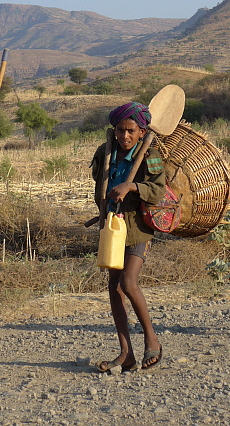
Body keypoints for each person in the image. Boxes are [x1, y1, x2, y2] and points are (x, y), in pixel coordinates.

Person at [91, 102, 167, 372]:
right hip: (112, 227)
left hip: (138, 227)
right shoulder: (105, 151)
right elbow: (98, 180)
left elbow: (158, 191)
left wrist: (132, 186)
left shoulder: (151, 155)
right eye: (121, 130)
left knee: (129, 282)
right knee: (115, 289)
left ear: (141, 131)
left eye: (131, 131)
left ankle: (152, 340)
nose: (125, 136)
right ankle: (126, 353)